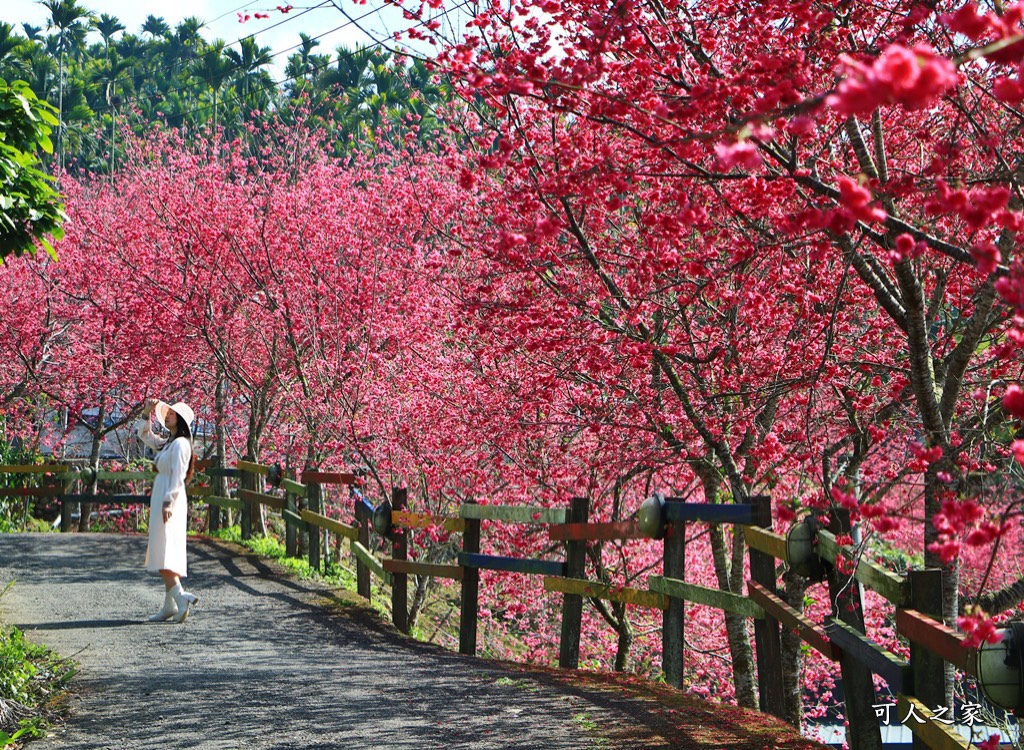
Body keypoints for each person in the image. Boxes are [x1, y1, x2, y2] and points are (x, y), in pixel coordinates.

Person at [136, 398, 199, 623]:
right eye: (169, 412)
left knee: (163, 552)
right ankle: (169, 605)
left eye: (173, 413)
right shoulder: (169, 443)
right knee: (164, 549)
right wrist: (146, 413)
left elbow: (178, 476)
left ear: (180, 420)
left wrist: (168, 503)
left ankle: (181, 597)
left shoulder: (181, 444)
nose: (169, 415)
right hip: (162, 493)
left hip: (169, 497)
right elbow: (145, 436)